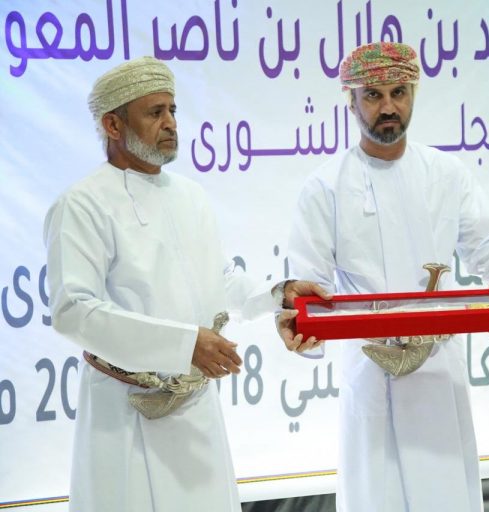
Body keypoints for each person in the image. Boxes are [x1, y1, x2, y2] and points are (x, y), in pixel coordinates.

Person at [279, 42, 489, 512]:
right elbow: (307, 282)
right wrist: (301, 323)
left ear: (413, 94)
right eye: (373, 95)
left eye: (398, 92)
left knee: (445, 493)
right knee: (377, 494)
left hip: (436, 370)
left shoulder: (446, 173)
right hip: (371, 370)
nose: (388, 107)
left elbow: (488, 249)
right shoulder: (324, 186)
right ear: (350, 101)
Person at [44, 56, 328, 512]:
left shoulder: (190, 196)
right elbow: (73, 311)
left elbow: (219, 279)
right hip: (125, 415)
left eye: (173, 110)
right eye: (155, 112)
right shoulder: (81, 204)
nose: (171, 123)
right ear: (113, 125)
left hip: (197, 415)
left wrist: (278, 295)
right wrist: (184, 346)